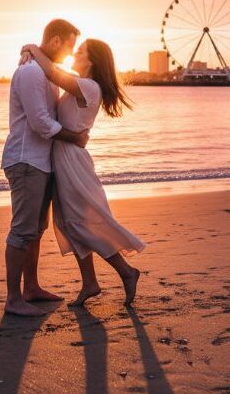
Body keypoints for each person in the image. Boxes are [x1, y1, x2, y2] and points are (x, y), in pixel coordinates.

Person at [20, 38, 145, 307]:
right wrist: (34, 54)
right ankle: (90, 282)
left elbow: (52, 72)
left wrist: (32, 47)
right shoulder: (81, 83)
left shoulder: (89, 86)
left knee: (80, 221)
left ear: (91, 61)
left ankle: (126, 271)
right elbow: (52, 70)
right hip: (63, 156)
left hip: (72, 159)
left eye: (80, 51)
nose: (74, 54)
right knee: (67, 222)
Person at [1, 19, 89, 317]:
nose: (70, 53)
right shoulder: (30, 73)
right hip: (26, 160)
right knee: (22, 230)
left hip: (40, 162)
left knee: (36, 231)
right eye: (70, 46)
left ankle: (31, 288)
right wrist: (74, 137)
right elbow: (40, 123)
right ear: (55, 42)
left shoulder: (44, 72)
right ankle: (13, 299)